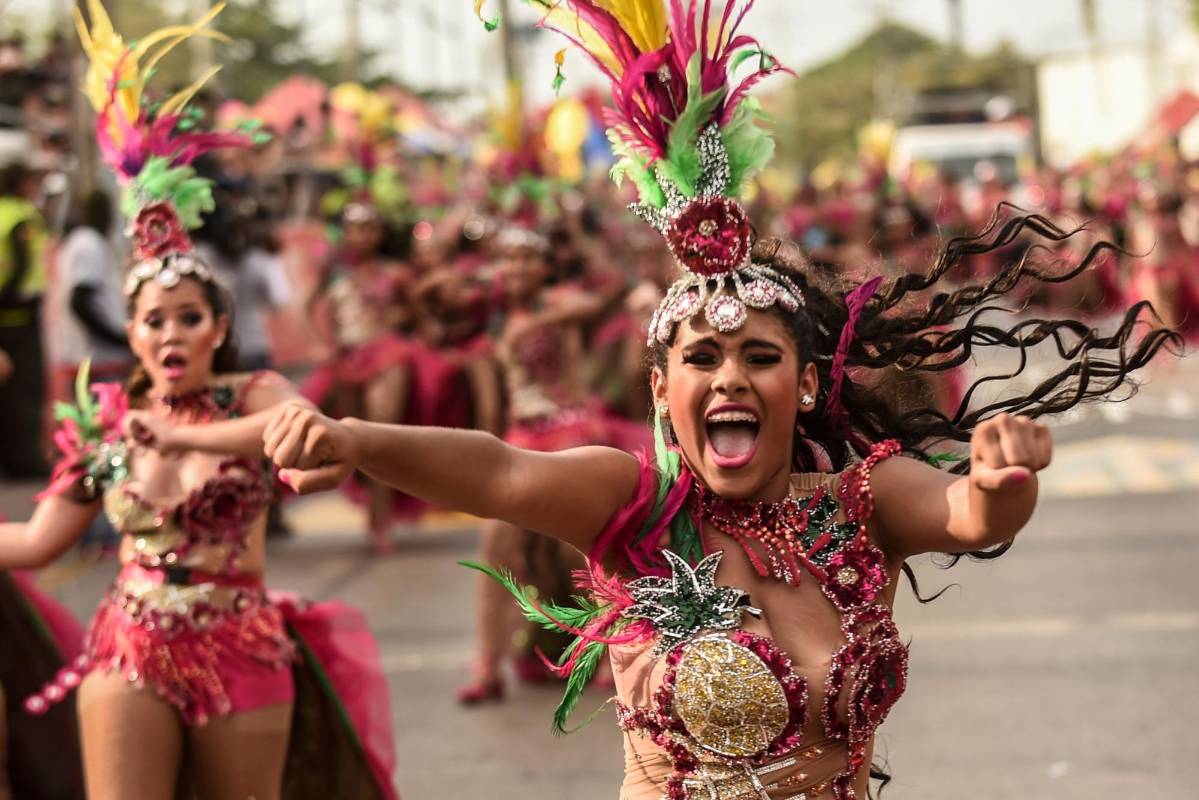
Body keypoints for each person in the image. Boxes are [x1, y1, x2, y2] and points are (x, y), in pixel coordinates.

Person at [262, 3, 1179, 798]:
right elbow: (499, 469)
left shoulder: (866, 504)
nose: (729, 377)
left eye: (758, 356)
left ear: (807, 381)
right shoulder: (633, 512)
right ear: (663, 391)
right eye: (701, 357)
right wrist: (353, 437)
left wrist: (1003, 475)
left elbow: (972, 515)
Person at [0, 5, 398, 798]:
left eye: (190, 317)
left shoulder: (251, 394)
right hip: (128, 643)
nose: (172, 333)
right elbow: (43, 539)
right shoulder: (105, 421)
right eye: (154, 320)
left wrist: (187, 441)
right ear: (133, 332)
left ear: (219, 328)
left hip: (238, 642)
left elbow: (301, 436)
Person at [0, 160, 50, 478]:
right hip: (19, 317)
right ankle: (23, 463)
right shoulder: (21, 214)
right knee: (25, 391)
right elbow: (20, 262)